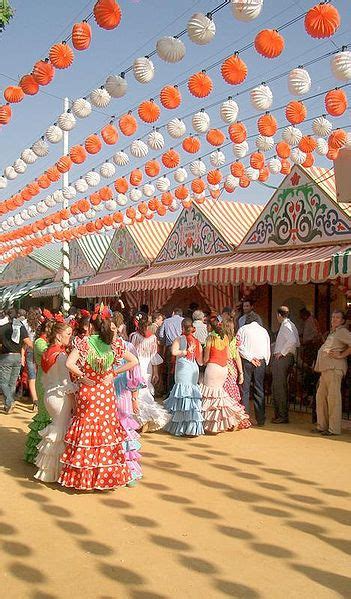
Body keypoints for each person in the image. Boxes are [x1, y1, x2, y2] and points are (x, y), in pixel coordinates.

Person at [59, 313, 138, 491]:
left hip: (88, 391)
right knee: (106, 433)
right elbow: (134, 361)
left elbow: (69, 364)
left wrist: (82, 376)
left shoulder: (84, 343)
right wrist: (113, 373)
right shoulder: (114, 343)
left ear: (91, 327)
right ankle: (105, 477)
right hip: (105, 393)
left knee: (86, 432)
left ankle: (85, 478)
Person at [34, 322, 76, 483]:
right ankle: (57, 473)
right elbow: (67, 384)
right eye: (67, 334)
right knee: (60, 433)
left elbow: (44, 378)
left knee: (54, 432)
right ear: (59, 335)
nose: (69, 337)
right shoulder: (62, 356)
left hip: (49, 395)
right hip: (60, 397)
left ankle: (49, 472)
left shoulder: (47, 352)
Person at [201, 318, 249, 433]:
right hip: (224, 369)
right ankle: (233, 417)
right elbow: (228, 356)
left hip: (213, 368)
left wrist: (202, 361)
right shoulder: (226, 338)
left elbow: (206, 358)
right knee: (220, 396)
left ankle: (212, 425)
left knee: (210, 396)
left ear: (210, 327)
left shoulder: (210, 338)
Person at [112, 316, 143, 485]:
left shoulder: (127, 346)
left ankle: (128, 471)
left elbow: (134, 373)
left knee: (124, 428)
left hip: (122, 393)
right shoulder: (101, 347)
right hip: (106, 393)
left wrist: (135, 397)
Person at [164, 318, 204, 437]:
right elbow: (200, 361)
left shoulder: (178, 339)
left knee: (182, 395)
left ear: (182, 327)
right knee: (191, 396)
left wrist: (185, 352)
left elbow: (174, 352)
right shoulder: (197, 342)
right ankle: (192, 428)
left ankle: (180, 426)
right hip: (193, 368)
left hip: (183, 368)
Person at [130, 315, 171, 432]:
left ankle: (139, 420)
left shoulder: (134, 336)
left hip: (136, 366)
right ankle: (146, 419)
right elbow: (154, 357)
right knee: (146, 391)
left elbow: (131, 354)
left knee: (136, 393)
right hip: (147, 367)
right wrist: (156, 372)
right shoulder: (153, 338)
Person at [314, 310, 351, 436]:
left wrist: (341, 355)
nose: (334, 319)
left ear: (342, 320)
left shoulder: (342, 332)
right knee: (321, 397)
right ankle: (322, 425)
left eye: (337, 317)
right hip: (326, 369)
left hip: (334, 368)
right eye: (333, 317)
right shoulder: (333, 333)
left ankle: (333, 429)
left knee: (333, 399)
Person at [24, 318, 53, 464]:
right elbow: (50, 355)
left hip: (50, 378)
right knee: (44, 415)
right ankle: (35, 452)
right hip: (43, 380)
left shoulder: (44, 342)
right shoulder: (40, 343)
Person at [238, 314, 271, 426]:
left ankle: (244, 418)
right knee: (259, 389)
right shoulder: (264, 331)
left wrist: (250, 358)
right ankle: (260, 418)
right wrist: (265, 361)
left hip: (248, 361)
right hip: (260, 361)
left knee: (245, 390)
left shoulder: (243, 329)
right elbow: (267, 348)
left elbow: (239, 346)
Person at [271, 306, 300, 424]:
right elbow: (296, 342)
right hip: (288, 357)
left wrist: (282, 353)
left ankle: (282, 415)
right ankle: (281, 415)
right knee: (280, 386)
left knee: (279, 387)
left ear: (279, 315)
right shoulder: (291, 325)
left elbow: (292, 341)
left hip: (283, 359)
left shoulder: (286, 325)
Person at [0, 308, 32, 414]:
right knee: (12, 383)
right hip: (18, 356)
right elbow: (27, 341)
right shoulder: (20, 327)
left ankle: (9, 402)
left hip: (5, 356)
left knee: (3, 382)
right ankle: (8, 404)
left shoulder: (2, 328)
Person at [222, 319, 250, 429]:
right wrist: (241, 372)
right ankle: (234, 420)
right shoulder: (234, 340)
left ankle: (226, 421)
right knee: (232, 393)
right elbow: (237, 357)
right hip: (232, 367)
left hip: (223, 365)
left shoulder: (220, 339)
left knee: (224, 393)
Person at [159, 308, 184, 393]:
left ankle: (170, 391)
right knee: (181, 369)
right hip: (182, 347)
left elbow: (161, 335)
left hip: (170, 347)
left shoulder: (166, 321)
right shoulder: (184, 321)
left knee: (170, 370)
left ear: (173, 313)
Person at [24, 308, 42, 409]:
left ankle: (35, 400)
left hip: (30, 351)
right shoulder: (40, 324)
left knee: (32, 376)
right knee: (40, 374)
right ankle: (39, 397)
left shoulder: (25, 325)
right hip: (39, 350)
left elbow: (24, 342)